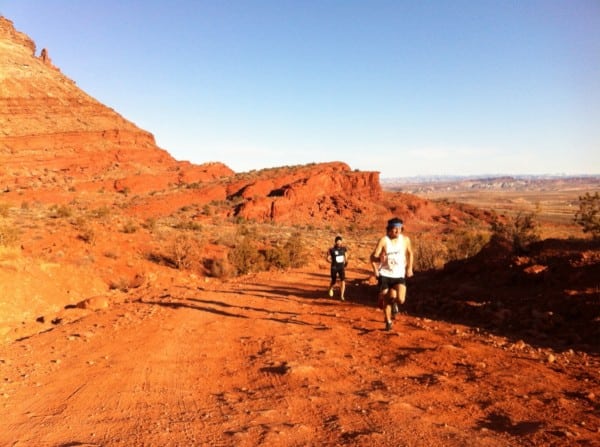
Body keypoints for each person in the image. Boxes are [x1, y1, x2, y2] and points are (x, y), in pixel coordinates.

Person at [371, 217, 414, 331]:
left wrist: (409, 268)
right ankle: (388, 321)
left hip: (399, 274)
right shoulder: (384, 240)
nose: (397, 231)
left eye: (400, 229)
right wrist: (379, 258)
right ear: (389, 229)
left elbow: (410, 253)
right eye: (395, 229)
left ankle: (395, 304)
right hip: (385, 274)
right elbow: (373, 257)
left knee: (401, 299)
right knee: (386, 298)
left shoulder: (405, 240)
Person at [326, 235, 348, 300]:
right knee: (334, 281)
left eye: (340, 241)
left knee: (343, 281)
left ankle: (342, 296)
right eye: (337, 241)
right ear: (335, 242)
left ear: (341, 242)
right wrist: (331, 261)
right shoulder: (331, 250)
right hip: (334, 267)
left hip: (341, 267)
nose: (339, 243)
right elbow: (327, 258)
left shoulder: (344, 249)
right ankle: (330, 288)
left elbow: (346, 256)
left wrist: (346, 261)